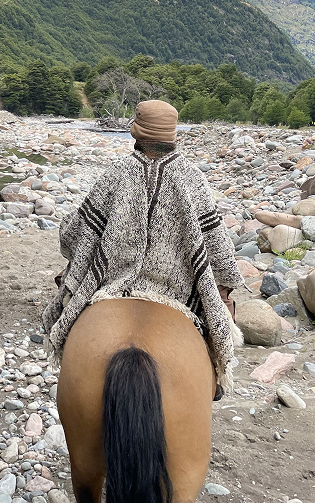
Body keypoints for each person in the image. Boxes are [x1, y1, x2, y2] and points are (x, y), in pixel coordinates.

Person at [43, 99, 243, 393]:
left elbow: (75, 235)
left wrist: (72, 233)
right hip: (176, 295)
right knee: (220, 314)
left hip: (110, 287)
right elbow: (218, 247)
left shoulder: (117, 172)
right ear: (173, 134)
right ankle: (219, 375)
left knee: (69, 292)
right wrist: (224, 284)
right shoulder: (192, 178)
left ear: (135, 131)